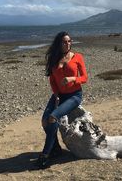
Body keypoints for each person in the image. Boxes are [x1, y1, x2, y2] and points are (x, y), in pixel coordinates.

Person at [36, 31, 88, 169]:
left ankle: (45, 155)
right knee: (44, 121)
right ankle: (56, 148)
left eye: (69, 41)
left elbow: (85, 78)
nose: (68, 44)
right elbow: (52, 79)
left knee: (53, 117)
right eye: (65, 42)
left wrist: (72, 79)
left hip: (74, 96)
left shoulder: (78, 57)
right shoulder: (54, 58)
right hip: (59, 95)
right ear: (59, 44)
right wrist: (56, 94)